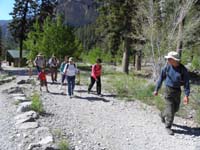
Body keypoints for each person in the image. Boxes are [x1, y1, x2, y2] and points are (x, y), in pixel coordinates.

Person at [154, 51, 190, 135]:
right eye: (168, 59)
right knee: (170, 111)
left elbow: (186, 83)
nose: (168, 60)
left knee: (175, 109)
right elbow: (161, 78)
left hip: (177, 91)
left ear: (175, 60)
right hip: (168, 90)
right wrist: (156, 89)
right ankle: (168, 127)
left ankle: (162, 114)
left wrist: (186, 95)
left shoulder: (183, 70)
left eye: (170, 59)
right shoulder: (167, 67)